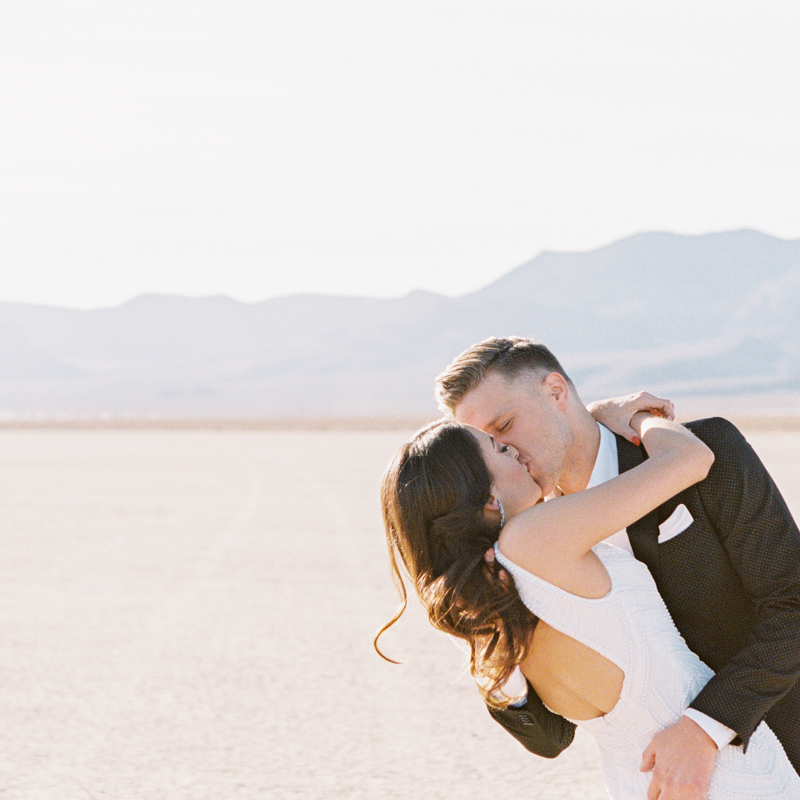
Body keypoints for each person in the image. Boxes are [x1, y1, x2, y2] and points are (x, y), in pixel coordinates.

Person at [434, 337, 800, 800]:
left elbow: (792, 605)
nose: (508, 453)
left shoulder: (707, 449)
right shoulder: (518, 556)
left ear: (555, 392)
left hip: (786, 752)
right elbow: (550, 738)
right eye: (489, 446)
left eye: (505, 425)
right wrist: (491, 653)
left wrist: (706, 726)